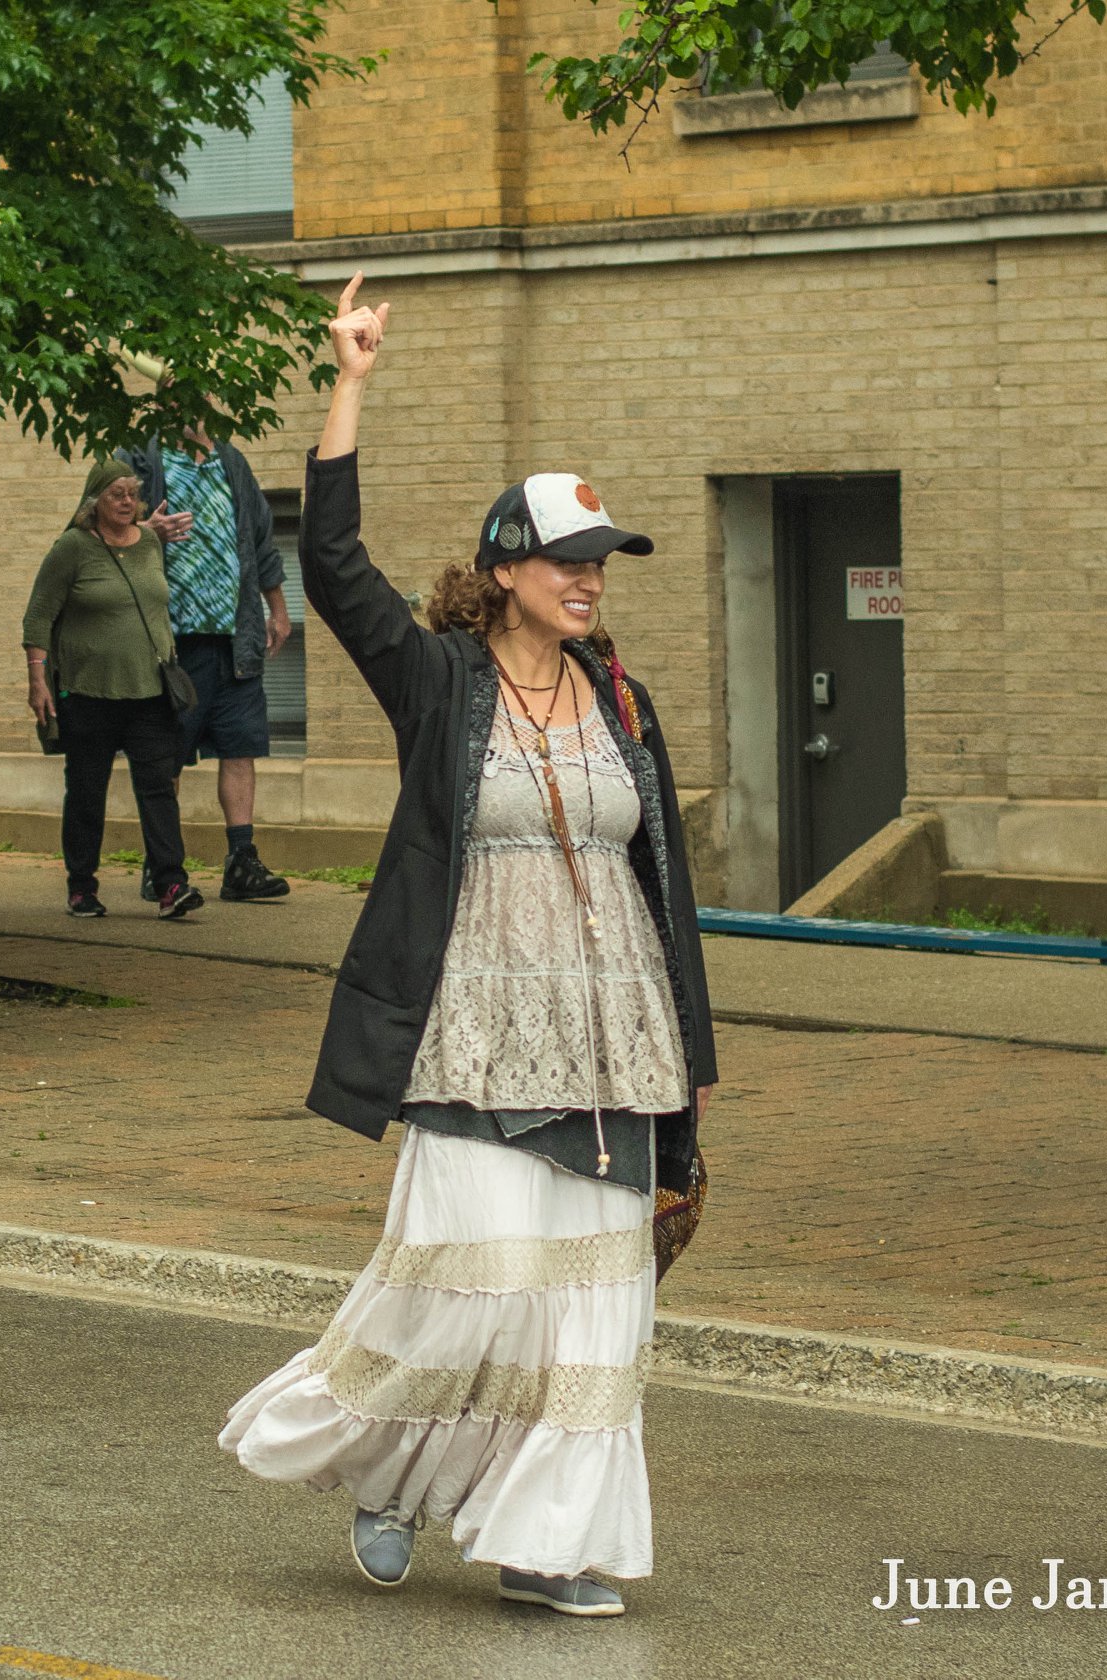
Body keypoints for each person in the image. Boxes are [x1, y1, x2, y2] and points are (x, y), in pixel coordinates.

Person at [217, 277, 717, 1618]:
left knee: (590, 1318)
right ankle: (388, 1463)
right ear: (502, 570)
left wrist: (696, 1056)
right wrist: (350, 381)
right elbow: (330, 571)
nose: (588, 582)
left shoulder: (622, 696)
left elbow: (656, 878)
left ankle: (546, 1544)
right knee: (462, 1292)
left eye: (601, 564)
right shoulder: (437, 677)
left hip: (616, 1042)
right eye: (566, 561)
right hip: (473, 1032)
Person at [118, 406, 292, 903]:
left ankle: (241, 863)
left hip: (234, 638)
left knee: (240, 749)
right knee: (166, 756)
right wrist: (145, 532)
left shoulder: (232, 462)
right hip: (173, 643)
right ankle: (161, 864)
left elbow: (261, 541)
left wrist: (277, 610)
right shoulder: (140, 460)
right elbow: (96, 532)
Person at [21, 461, 204, 921]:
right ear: (93, 501)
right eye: (116, 494)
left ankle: (170, 884)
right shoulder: (72, 548)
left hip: (150, 692)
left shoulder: (149, 546)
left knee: (158, 789)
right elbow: (38, 616)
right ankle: (81, 887)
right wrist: (37, 680)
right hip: (88, 694)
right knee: (86, 792)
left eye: (132, 494)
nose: (127, 502)